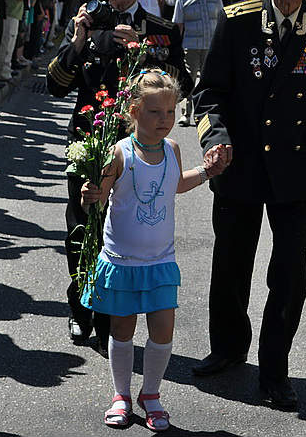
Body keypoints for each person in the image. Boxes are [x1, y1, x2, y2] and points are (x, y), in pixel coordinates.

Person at [191, 0, 306, 411]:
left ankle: (275, 369)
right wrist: (216, 139)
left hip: (295, 166)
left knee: (288, 272)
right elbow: (210, 92)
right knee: (232, 263)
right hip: (240, 164)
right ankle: (229, 347)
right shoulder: (236, 21)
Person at [46, 0, 193, 355]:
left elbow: (181, 84)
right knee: (82, 225)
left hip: (139, 152)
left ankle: (114, 311)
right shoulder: (87, 26)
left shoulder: (163, 31)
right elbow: (56, 85)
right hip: (90, 148)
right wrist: (82, 44)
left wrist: (145, 57)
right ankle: (81, 307)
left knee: (125, 232)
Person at [80, 69, 212, 431]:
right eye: (155, 112)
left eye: (170, 113)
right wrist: (91, 195)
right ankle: (121, 395)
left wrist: (206, 172)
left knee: (163, 332)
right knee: (122, 332)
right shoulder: (119, 153)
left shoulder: (172, 149)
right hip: (123, 261)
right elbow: (100, 198)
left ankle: (150, 394)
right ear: (134, 111)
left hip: (160, 261)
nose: (165, 121)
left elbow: (174, 184)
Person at [172, 0, 222, 126]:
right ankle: (186, 114)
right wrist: (176, 48)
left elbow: (222, 20)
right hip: (191, 47)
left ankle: (207, 113)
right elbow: (178, 25)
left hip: (211, 46)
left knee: (210, 80)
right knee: (189, 81)